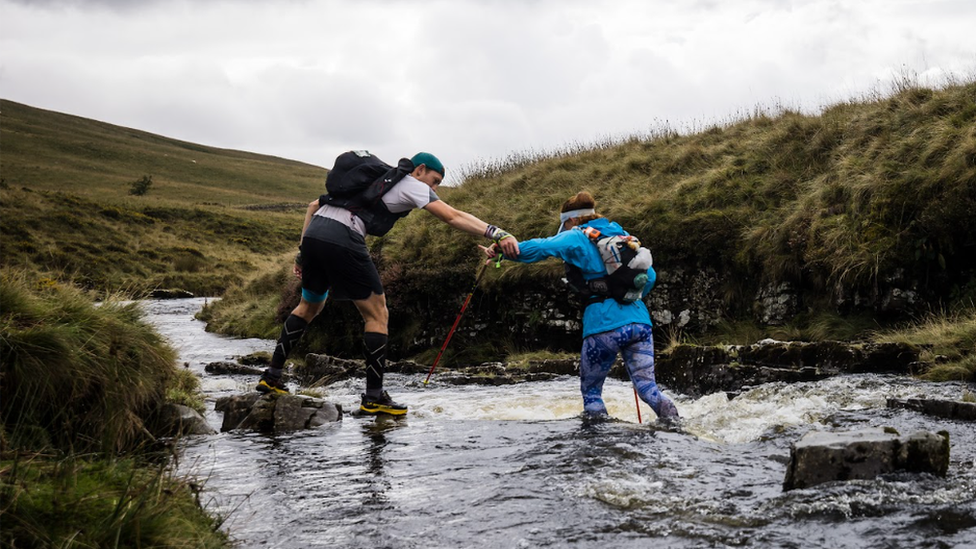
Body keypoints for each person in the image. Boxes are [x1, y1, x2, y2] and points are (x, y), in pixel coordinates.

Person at [256, 152, 521, 416]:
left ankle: (272, 377)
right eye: (435, 180)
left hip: (315, 234)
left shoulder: (374, 179)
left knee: (308, 305)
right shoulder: (411, 183)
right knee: (377, 314)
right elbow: (452, 216)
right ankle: (374, 398)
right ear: (420, 169)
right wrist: (496, 232)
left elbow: (313, 206)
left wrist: (303, 253)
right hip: (344, 236)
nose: (435, 187)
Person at [483, 191, 678, 422]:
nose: (565, 228)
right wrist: (626, 295)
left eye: (565, 223)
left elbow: (541, 247)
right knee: (649, 390)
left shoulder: (577, 237)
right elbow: (651, 277)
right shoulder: (624, 236)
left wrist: (502, 253)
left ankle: (596, 452)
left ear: (573, 219)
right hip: (639, 323)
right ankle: (676, 429)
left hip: (603, 325)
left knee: (592, 394)